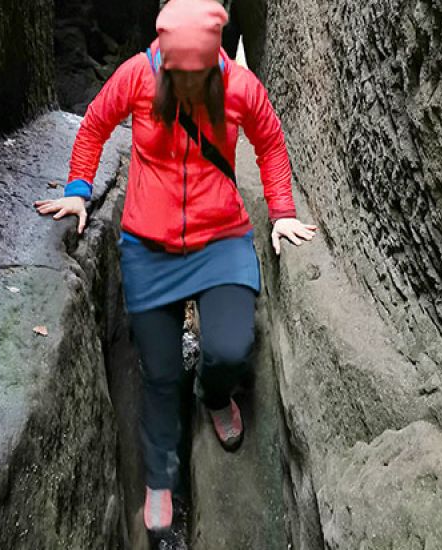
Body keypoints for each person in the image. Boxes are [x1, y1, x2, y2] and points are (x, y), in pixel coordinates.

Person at [34, 0, 317, 534]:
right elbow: (95, 125)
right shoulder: (137, 76)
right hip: (148, 245)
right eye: (175, 73)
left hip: (220, 238)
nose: (185, 82)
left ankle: (213, 393)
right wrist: (77, 191)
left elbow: (271, 142)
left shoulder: (239, 88)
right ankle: (161, 476)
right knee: (160, 377)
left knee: (231, 347)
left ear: (215, 61)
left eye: (196, 74)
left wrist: (281, 212)